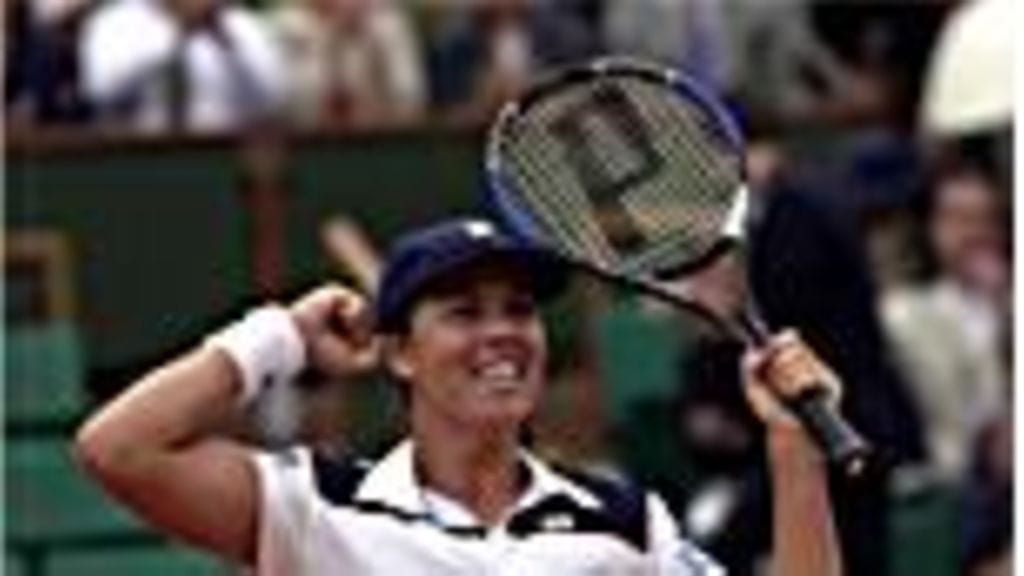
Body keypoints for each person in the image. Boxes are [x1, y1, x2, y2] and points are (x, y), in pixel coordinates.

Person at [74, 216, 845, 575]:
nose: (502, 333)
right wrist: (280, 337)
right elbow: (117, 449)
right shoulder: (318, 509)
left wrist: (793, 449)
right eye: (464, 313)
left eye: (518, 310)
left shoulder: (623, 526)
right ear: (400, 355)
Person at [79, 0, 286, 133]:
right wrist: (176, 32)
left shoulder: (241, 25)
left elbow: (272, 101)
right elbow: (100, 91)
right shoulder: (114, 21)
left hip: (222, 160)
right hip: (139, 161)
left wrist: (230, 47)